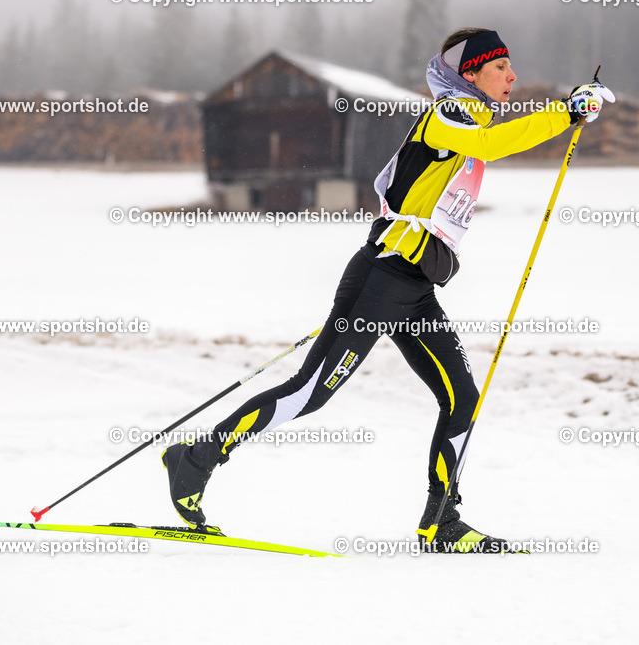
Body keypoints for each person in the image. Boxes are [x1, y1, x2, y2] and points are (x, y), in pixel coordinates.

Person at [163, 28, 614, 552]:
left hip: (414, 287)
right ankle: (194, 460)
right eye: (500, 68)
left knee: (461, 397)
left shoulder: (473, 116)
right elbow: (493, 143)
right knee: (310, 393)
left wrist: (568, 115)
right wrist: (564, 111)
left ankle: (441, 522)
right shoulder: (448, 114)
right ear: (470, 74)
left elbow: (493, 139)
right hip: (383, 277)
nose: (512, 77)